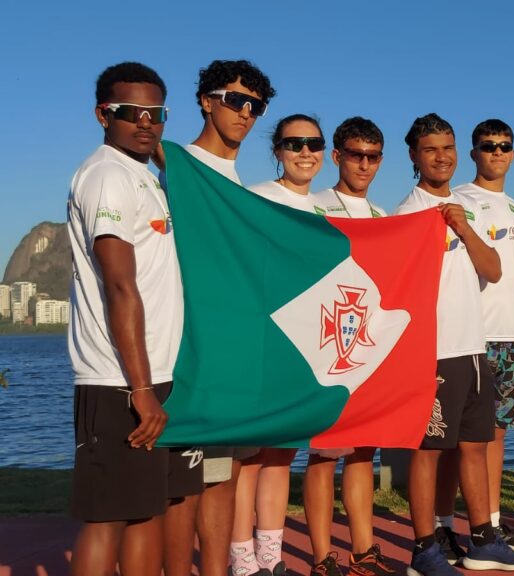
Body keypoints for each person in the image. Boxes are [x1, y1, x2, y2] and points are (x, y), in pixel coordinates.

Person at [67, 61, 203, 576]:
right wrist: (140, 388)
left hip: (158, 374)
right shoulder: (106, 176)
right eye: (132, 113)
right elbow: (120, 285)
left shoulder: (143, 176)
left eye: (157, 113)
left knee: (145, 512)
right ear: (104, 114)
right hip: (119, 380)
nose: (146, 123)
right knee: (108, 518)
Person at [395, 113, 514, 576]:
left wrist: (463, 228)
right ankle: (424, 550)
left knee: (475, 445)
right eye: (431, 149)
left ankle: (482, 539)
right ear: (414, 155)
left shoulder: (464, 206)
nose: (442, 157)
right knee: (427, 452)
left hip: (474, 346)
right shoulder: (406, 211)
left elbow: (494, 270)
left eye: (448, 147)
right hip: (432, 352)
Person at [160, 59, 276, 576]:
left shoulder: (241, 188)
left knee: (224, 479)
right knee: (184, 486)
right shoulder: (173, 166)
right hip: (187, 353)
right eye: (234, 100)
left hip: (234, 356)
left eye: (255, 106)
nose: (245, 114)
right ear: (206, 100)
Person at [229, 114, 326, 576]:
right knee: (248, 459)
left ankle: (272, 557)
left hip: (302, 350)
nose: (305, 152)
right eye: (294, 143)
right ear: (277, 151)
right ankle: (240, 558)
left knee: (282, 456)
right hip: (260, 347)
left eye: (314, 143)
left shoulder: (324, 211)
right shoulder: (258, 199)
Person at [302, 117, 395, 576]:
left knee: (363, 452)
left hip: (370, 348)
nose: (364, 164)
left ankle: (364, 549)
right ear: (336, 156)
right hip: (325, 343)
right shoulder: (314, 206)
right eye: (355, 154)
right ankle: (322, 556)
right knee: (323, 453)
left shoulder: (382, 217)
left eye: (373, 156)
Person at [451, 119, 514, 553]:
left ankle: (493, 522)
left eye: (504, 146)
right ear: (474, 153)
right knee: (464, 439)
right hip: (471, 334)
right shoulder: (459, 200)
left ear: (513, 153)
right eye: (488, 146)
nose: (497, 152)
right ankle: (450, 524)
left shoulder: (513, 206)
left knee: (498, 434)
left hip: (509, 335)